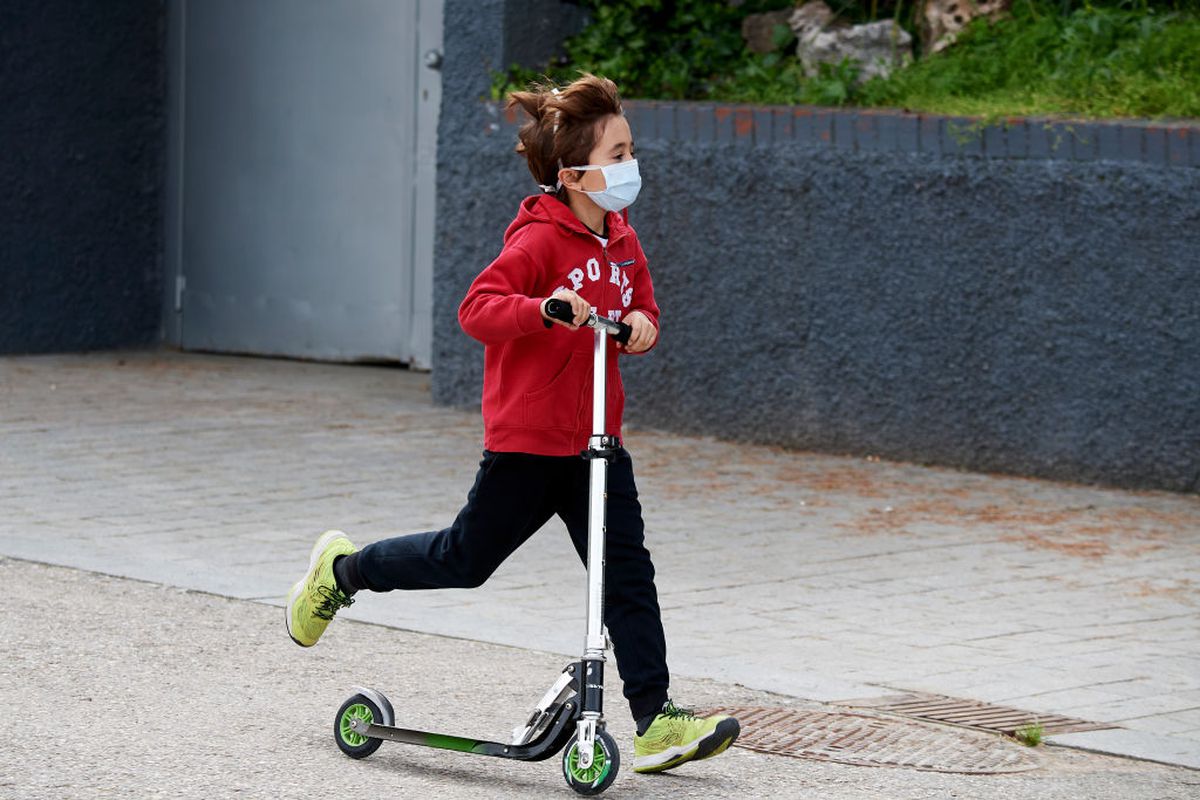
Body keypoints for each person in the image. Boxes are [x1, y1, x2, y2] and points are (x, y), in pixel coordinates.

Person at [285, 73, 739, 775]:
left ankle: (654, 722)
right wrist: (543, 310)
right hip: (528, 446)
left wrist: (642, 325)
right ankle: (342, 572)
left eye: (631, 152)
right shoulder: (538, 241)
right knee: (463, 561)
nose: (631, 167)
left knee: (627, 577)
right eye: (618, 156)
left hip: (596, 445)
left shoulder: (623, 242)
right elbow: (477, 310)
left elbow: (642, 306)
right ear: (575, 175)